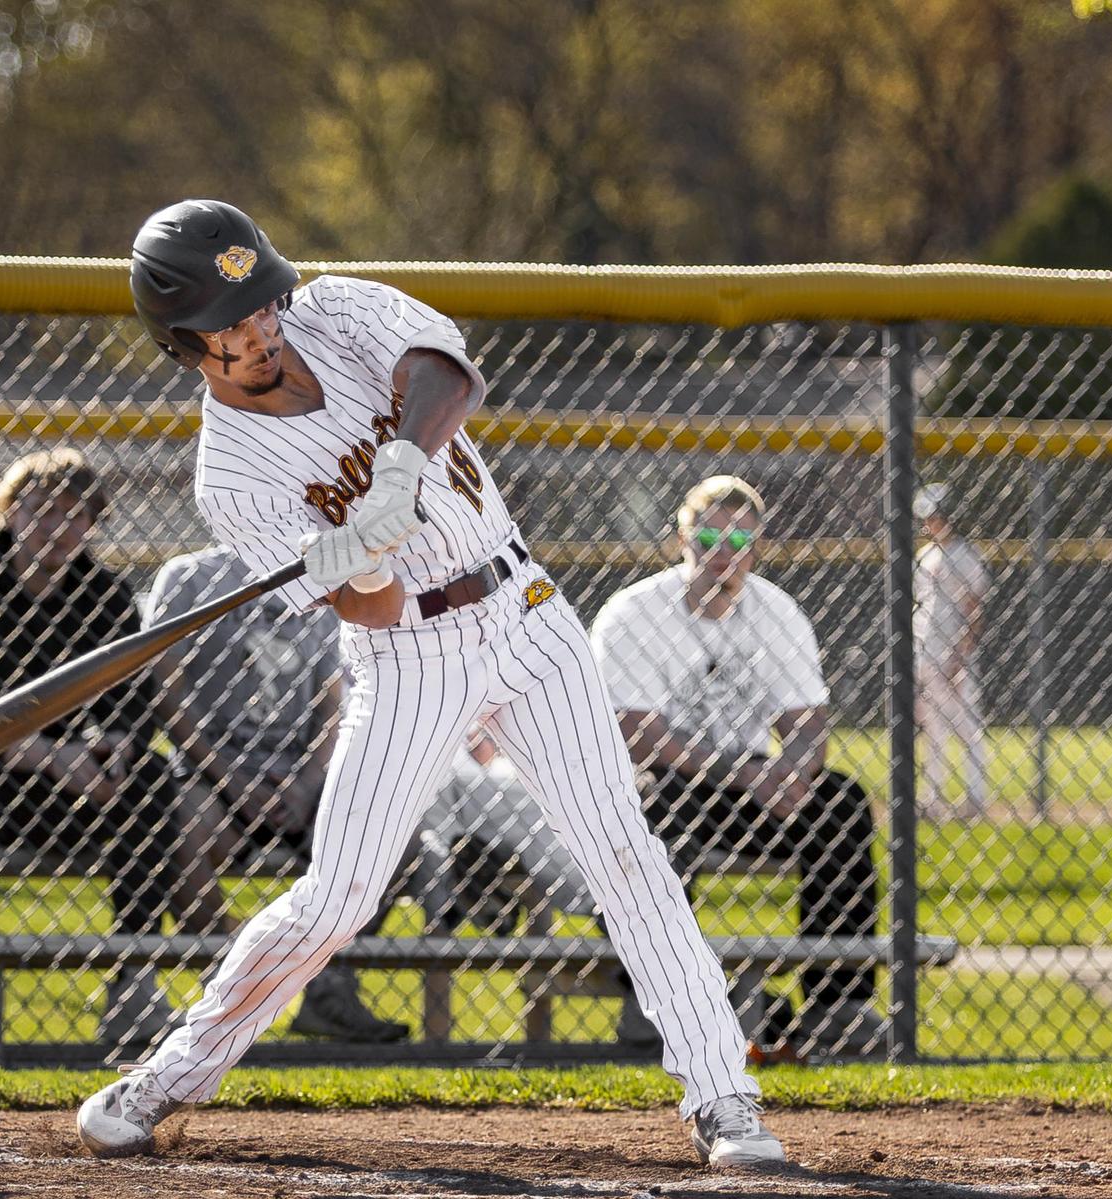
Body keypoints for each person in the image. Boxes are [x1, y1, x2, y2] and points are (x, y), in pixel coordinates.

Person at [76, 199, 782, 1169]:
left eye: (260, 306)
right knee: (338, 896)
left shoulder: (334, 307)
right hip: (408, 656)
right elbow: (364, 611)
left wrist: (399, 466)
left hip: (526, 611)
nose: (260, 330)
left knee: (625, 853)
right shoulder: (231, 476)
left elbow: (442, 369)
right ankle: (167, 1076)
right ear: (184, 345)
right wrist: (362, 555)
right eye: (230, 326)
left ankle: (723, 1097)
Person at [590, 475, 884, 1059]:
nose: (723, 553)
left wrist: (796, 775)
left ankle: (837, 1003)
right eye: (708, 536)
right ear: (681, 537)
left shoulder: (776, 610)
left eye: (740, 540)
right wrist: (747, 773)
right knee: (648, 817)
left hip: (746, 780)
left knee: (841, 803)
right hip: (661, 778)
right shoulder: (635, 612)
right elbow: (638, 734)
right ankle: (661, 998)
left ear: (758, 545)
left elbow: (804, 718)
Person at [0, 449, 178, 1048]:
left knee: (150, 777)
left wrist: (115, 748)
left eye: (75, 515)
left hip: (69, 783)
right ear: (7, 513)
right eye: (41, 510)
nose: (57, 526)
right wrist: (55, 758)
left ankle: (134, 975)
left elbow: (131, 699)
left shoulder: (104, 592)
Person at [143, 543, 408, 1041]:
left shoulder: (323, 568)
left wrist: (308, 781)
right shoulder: (190, 578)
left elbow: (335, 697)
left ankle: (325, 987)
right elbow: (167, 694)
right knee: (183, 830)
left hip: (299, 774)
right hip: (213, 773)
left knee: (397, 835)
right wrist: (232, 780)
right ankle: (240, 988)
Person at [415, 724, 596, 934]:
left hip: (509, 824)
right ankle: (481, 895)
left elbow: (483, 748)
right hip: (473, 816)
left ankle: (484, 896)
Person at [914, 483, 991, 820]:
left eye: (935, 516)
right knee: (933, 729)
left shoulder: (965, 555)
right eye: (928, 517)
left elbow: (974, 608)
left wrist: (960, 657)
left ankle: (976, 798)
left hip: (953, 654)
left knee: (967, 727)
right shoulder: (925, 555)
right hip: (926, 650)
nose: (930, 522)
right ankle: (931, 799)